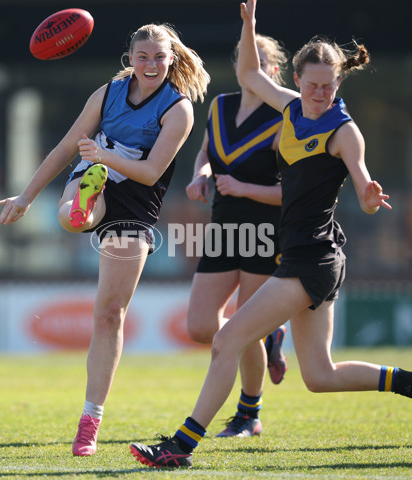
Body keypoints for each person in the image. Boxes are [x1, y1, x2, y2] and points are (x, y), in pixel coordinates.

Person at [129, 0, 412, 468]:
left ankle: (180, 445)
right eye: (312, 85)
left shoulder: (344, 130)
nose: (320, 94)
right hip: (305, 255)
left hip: (313, 260)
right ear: (298, 81)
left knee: (228, 340)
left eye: (328, 86)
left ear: (338, 84)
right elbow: (249, 75)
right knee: (320, 375)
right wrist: (249, 25)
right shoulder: (289, 107)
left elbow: (362, 179)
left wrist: (368, 195)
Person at [0, 23, 210, 457]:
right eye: (142, 56)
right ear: (129, 58)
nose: (150, 65)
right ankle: (84, 201)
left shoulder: (178, 109)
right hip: (96, 171)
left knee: (110, 312)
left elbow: (150, 173)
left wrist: (104, 156)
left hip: (135, 198)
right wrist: (26, 195)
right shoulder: (108, 92)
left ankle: (89, 422)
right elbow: (64, 147)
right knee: (73, 220)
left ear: (171, 60)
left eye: (158, 57)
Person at [184, 34, 289, 439]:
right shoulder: (220, 105)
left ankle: (249, 414)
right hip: (224, 226)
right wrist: (200, 175)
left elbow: (295, 192)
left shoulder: (286, 117)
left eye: (263, 61)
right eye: (248, 58)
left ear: (274, 71)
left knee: (244, 330)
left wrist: (245, 189)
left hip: (267, 230)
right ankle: (270, 334)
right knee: (198, 327)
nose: (254, 66)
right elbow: (207, 153)